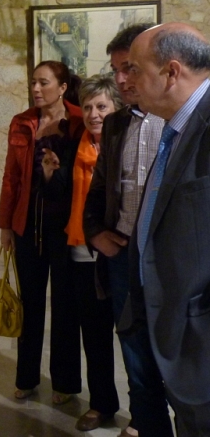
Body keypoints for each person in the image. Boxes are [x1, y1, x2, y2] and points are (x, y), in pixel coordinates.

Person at [83, 24, 174, 437]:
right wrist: (96, 233)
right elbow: (100, 187)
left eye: (130, 69)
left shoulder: (178, 120)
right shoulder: (116, 124)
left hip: (168, 263)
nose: (121, 80)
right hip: (122, 256)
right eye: (117, 70)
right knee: (134, 352)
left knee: (177, 357)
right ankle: (145, 423)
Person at [123, 22, 210, 436]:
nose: (127, 79)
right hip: (167, 316)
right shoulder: (176, 125)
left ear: (172, 72)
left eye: (136, 69)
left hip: (199, 333)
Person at [0, 60, 83, 404]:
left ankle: (64, 383)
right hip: (27, 227)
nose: (35, 89)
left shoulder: (79, 120)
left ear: (62, 87)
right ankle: (27, 377)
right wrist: (5, 225)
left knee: (66, 307)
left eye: (43, 83)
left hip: (65, 228)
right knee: (29, 304)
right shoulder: (21, 122)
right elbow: (11, 178)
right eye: (33, 82)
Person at [42, 75, 122, 431]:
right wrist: (51, 175)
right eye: (88, 106)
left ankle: (144, 415)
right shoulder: (78, 147)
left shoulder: (126, 147)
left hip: (116, 255)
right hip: (79, 254)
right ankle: (102, 404)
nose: (93, 113)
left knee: (135, 340)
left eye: (102, 106)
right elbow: (66, 198)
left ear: (117, 109)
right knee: (95, 336)